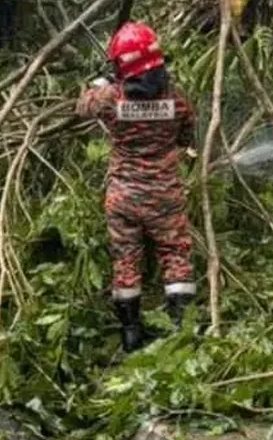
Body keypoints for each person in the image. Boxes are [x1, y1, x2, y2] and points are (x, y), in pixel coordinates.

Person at [76, 20, 197, 351]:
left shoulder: (109, 100)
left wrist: (100, 82)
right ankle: (179, 332)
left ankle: (130, 334)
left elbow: (82, 106)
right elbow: (186, 137)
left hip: (124, 197)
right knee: (175, 254)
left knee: (125, 259)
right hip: (165, 196)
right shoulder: (178, 101)